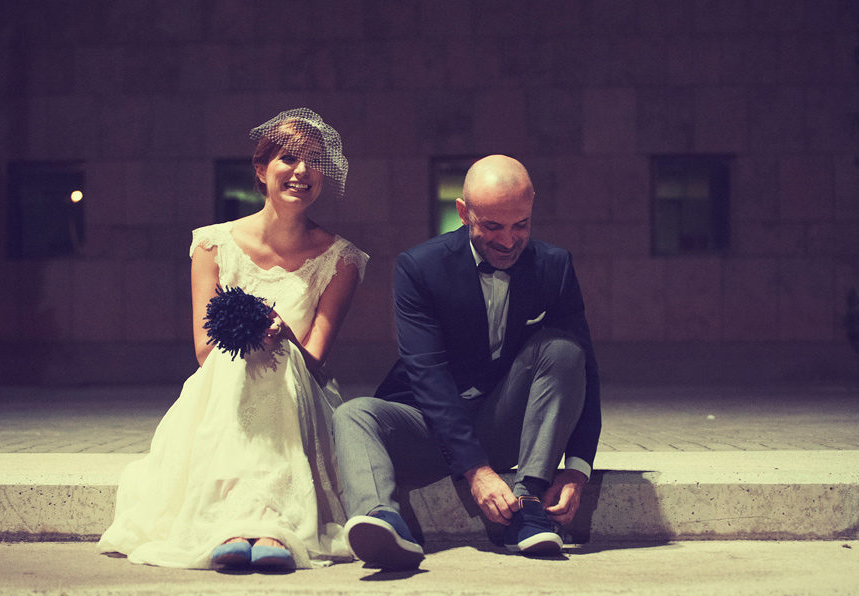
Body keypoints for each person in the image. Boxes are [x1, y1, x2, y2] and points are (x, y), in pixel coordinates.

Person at [98, 108, 368, 571]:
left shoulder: (341, 259)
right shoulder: (211, 245)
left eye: (314, 161)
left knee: (280, 363)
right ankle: (236, 522)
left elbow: (318, 358)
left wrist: (281, 333)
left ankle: (270, 523)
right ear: (262, 171)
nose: (302, 171)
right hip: (223, 386)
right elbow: (205, 351)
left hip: (300, 390)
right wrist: (246, 334)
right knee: (238, 365)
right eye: (288, 158)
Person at [333, 154, 600, 570]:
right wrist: (475, 470)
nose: (509, 241)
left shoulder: (554, 266)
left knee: (565, 349)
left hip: (502, 421)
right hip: (429, 424)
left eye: (521, 225)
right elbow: (427, 372)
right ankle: (381, 520)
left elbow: (585, 368)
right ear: (463, 212)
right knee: (353, 415)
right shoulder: (419, 267)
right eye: (492, 226)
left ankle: (527, 506)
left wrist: (578, 468)